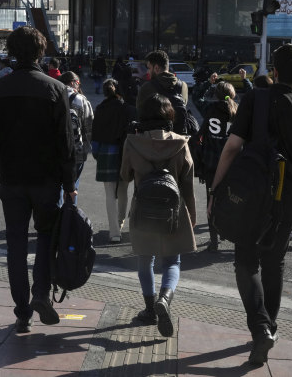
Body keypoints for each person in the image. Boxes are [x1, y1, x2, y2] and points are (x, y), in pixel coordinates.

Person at [207, 44, 292, 365]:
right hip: (287, 198)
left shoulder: (254, 99)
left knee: (245, 262)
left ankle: (260, 327)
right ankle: (269, 329)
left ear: (274, 71)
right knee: (274, 263)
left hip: (250, 194)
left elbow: (232, 148)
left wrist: (216, 190)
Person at [0, 26, 77, 334]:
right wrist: (69, 182)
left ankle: (21, 312)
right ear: (41, 52)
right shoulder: (55, 88)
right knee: (45, 237)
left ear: (11, 52)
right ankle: (41, 294)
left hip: (12, 177)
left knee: (15, 243)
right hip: (47, 179)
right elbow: (66, 143)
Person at [120, 93, 196, 337]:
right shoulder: (180, 143)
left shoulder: (133, 142)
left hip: (143, 210)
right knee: (172, 261)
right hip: (173, 211)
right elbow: (188, 185)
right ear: (169, 116)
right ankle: (165, 299)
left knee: (145, 260)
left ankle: (150, 310)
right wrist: (191, 215)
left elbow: (125, 175)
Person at [92, 78, 135, 243]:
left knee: (110, 194)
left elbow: (95, 137)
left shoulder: (100, 109)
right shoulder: (126, 109)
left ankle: (114, 233)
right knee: (123, 189)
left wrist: (97, 154)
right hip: (124, 154)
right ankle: (120, 221)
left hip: (105, 153)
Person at [199, 81, 238, 252]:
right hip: (231, 163)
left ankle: (213, 240)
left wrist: (208, 83)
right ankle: (231, 234)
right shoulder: (237, 111)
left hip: (211, 162)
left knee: (212, 199)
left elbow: (196, 96)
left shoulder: (209, 108)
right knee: (232, 200)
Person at [58, 71, 94, 206]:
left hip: (56, 150)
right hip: (77, 151)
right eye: (78, 83)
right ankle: (70, 218)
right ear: (73, 82)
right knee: (73, 187)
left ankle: (58, 221)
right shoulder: (81, 100)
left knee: (58, 187)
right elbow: (90, 127)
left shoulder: (54, 97)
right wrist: (92, 148)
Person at [136, 50, 189, 134]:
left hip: (155, 139)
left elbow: (140, 114)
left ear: (156, 68)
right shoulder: (183, 86)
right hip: (177, 139)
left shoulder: (147, 87)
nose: (147, 72)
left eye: (149, 68)